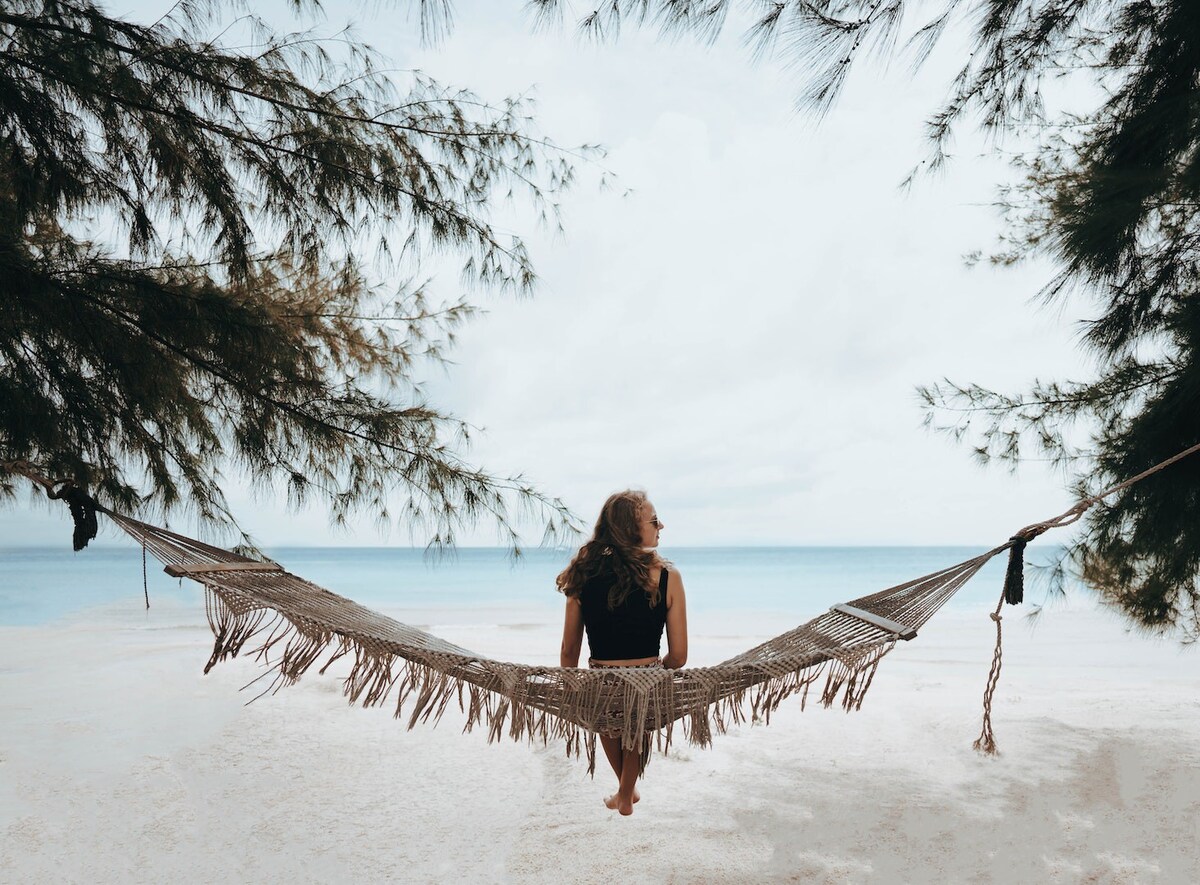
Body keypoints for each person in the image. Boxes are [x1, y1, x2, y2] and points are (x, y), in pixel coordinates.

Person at [557, 490, 688, 816]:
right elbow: (680, 655)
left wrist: (573, 686)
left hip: (601, 680)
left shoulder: (582, 574)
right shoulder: (668, 576)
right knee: (638, 718)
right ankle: (626, 794)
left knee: (606, 715)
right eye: (654, 520)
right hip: (648, 682)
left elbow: (569, 648)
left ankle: (625, 793)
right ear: (631, 528)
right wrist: (661, 670)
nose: (662, 526)